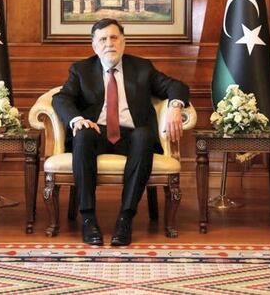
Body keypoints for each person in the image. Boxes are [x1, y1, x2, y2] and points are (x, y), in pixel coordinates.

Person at [52, 18, 189, 247]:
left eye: (114, 37)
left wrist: (175, 106)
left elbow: (176, 86)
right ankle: (88, 218)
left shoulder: (142, 68)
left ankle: (126, 218)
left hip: (131, 135)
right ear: (94, 45)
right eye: (103, 39)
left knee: (144, 135)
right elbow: (61, 98)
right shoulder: (81, 70)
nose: (109, 43)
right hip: (96, 132)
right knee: (82, 135)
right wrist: (78, 120)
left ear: (123, 42)